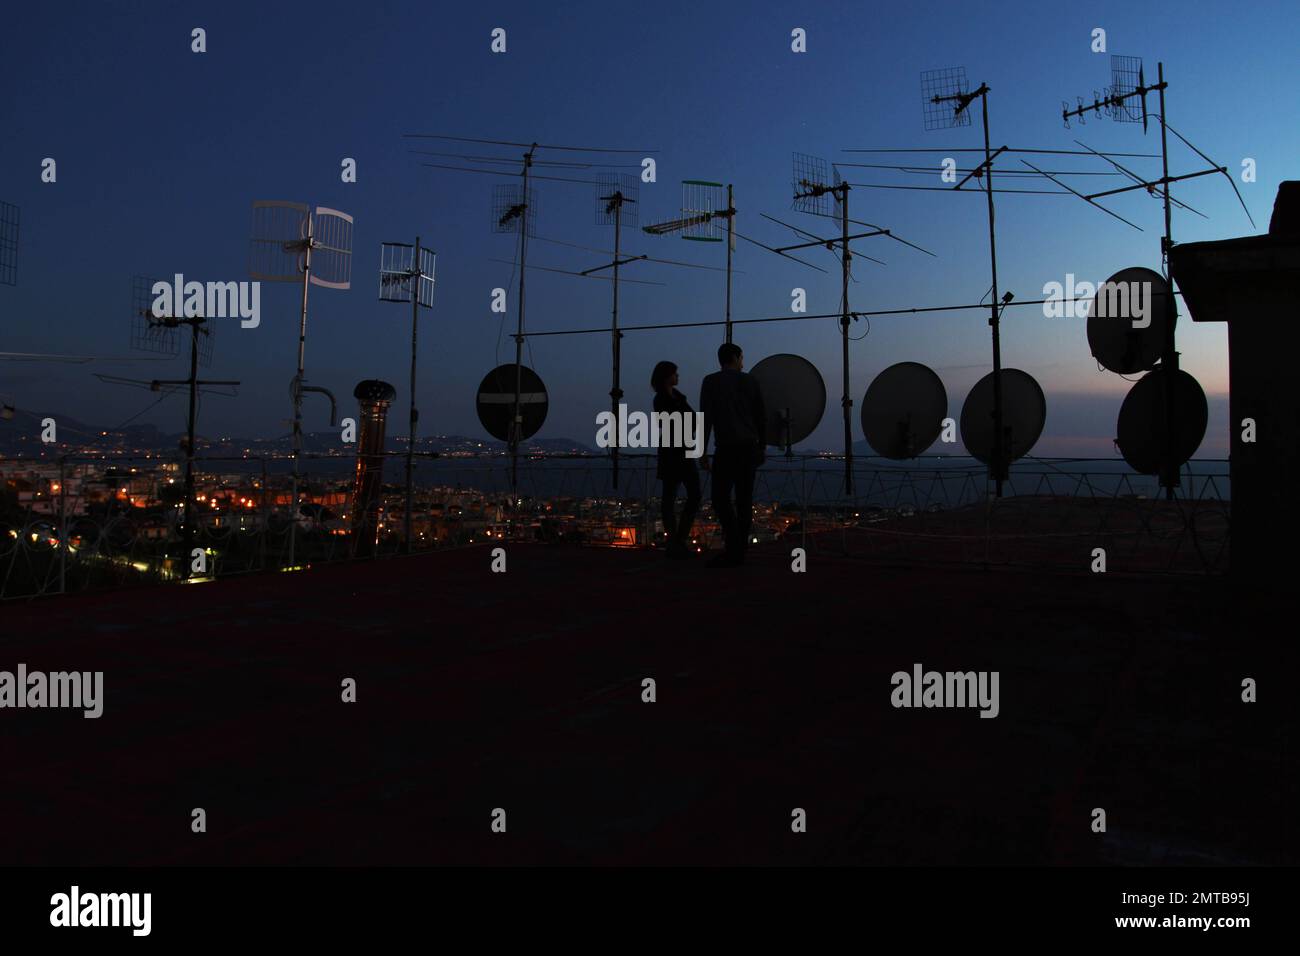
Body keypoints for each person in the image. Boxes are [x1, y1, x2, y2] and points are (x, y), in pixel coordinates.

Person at [699, 342, 766, 567]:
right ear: (737, 357)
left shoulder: (710, 382)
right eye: (742, 358)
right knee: (744, 500)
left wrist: (701, 451)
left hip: (725, 449)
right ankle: (739, 550)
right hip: (748, 448)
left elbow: (705, 419)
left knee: (720, 498)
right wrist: (762, 447)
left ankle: (733, 547)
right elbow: (760, 416)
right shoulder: (750, 381)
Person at [651, 360, 700, 559]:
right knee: (671, 497)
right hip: (674, 452)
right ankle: (676, 541)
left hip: (682, 450)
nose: (678, 376)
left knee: (690, 495)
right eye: (675, 374)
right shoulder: (662, 399)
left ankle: (677, 541)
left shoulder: (676, 397)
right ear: (667, 376)